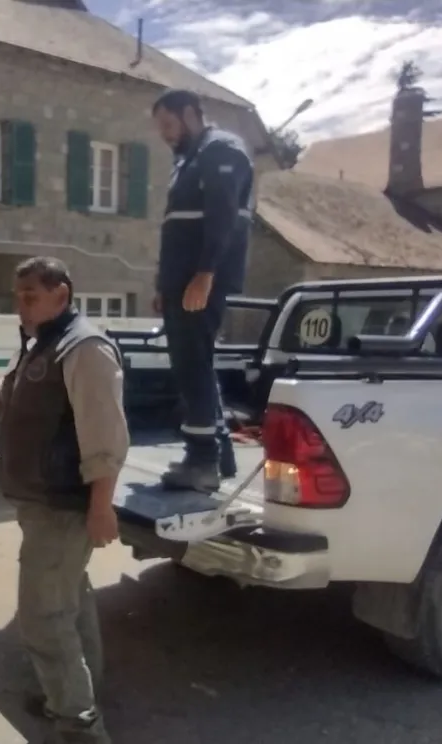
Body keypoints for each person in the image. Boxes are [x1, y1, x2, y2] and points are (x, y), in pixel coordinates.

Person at [0, 257, 128, 744]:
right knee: (69, 600)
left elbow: (106, 437)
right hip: (42, 504)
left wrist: (102, 505)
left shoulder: (85, 349)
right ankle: (77, 694)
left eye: (31, 295)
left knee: (43, 618)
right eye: (18, 296)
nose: (22, 304)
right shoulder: (42, 344)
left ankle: (79, 725)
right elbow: (6, 390)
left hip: (62, 506)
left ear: (63, 293)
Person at [151, 89, 254, 492]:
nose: (165, 135)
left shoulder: (220, 150)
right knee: (194, 362)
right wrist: (165, 284)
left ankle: (202, 462)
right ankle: (220, 454)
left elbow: (224, 216)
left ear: (191, 114)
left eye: (169, 125)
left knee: (192, 364)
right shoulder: (189, 160)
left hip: (199, 278)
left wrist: (205, 274)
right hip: (183, 279)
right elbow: (176, 227)